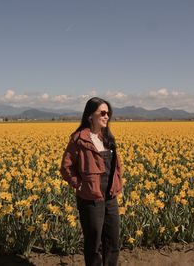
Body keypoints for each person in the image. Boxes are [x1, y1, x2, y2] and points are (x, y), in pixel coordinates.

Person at [60, 97, 123, 266]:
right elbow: (66, 167)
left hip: (110, 195)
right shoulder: (79, 139)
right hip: (90, 197)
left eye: (108, 113)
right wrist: (78, 184)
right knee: (94, 242)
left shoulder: (108, 138)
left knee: (113, 240)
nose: (106, 116)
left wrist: (118, 182)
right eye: (102, 113)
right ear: (90, 116)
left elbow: (116, 166)